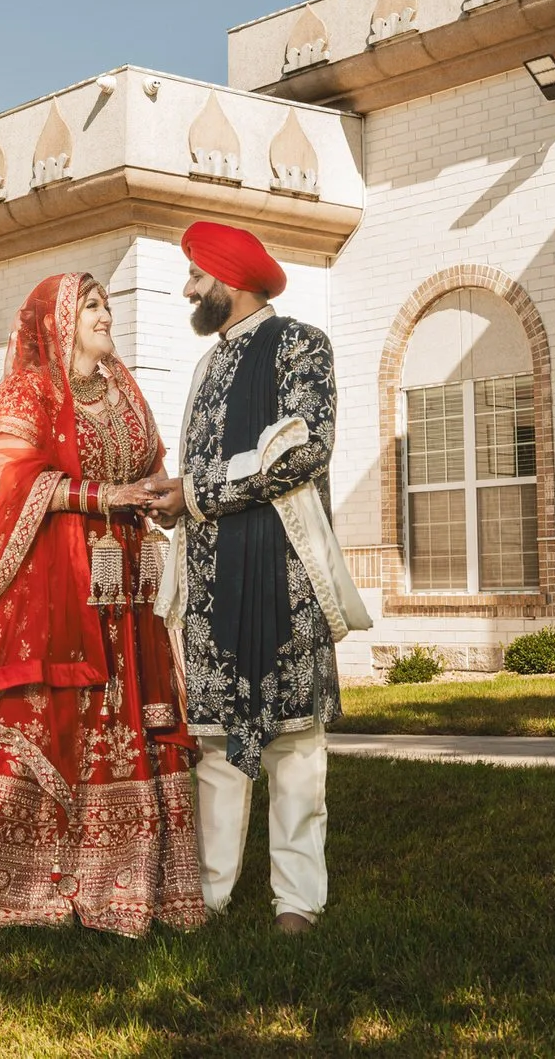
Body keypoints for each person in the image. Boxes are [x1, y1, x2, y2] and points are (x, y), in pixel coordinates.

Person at [0, 272, 205, 935]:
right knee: (42, 720)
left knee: (124, 721)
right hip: (47, 586)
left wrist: (166, 493)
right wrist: (103, 498)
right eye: (92, 306)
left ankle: (126, 884)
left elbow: (151, 467)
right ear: (60, 321)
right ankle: (9, 883)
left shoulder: (126, 394)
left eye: (107, 303)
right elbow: (17, 482)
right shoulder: (30, 390)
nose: (107, 314)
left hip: (124, 593)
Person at [147, 220, 361, 936]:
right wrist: (177, 504)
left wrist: (198, 489)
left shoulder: (302, 344)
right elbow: (213, 475)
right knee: (215, 744)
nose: (188, 288)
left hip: (285, 577)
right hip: (213, 585)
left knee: (295, 744)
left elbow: (303, 447)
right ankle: (207, 897)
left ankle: (296, 902)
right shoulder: (208, 369)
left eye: (196, 275)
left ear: (228, 278)